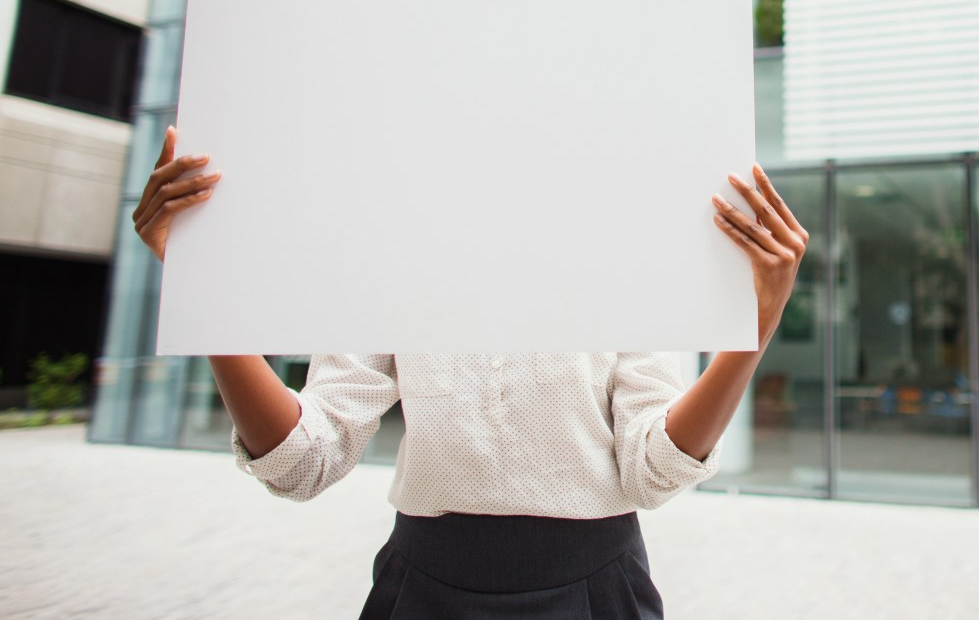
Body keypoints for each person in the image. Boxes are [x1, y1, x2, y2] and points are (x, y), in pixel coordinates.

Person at [133, 126, 807, 619]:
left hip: (595, 588)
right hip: (422, 587)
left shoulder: (628, 260)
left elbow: (652, 472)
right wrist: (205, 296)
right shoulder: (393, 257)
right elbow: (303, 462)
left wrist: (754, 328)